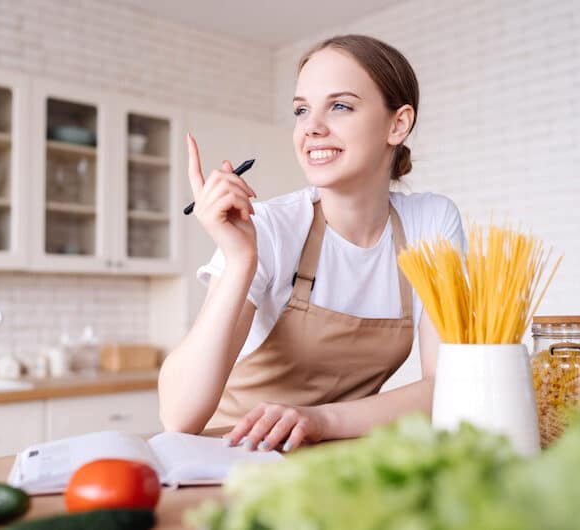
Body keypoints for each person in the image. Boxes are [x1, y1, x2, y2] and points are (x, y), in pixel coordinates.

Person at [158, 34, 465, 452]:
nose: (312, 128)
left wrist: (319, 421)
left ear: (398, 124)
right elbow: (178, 415)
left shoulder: (430, 223)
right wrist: (239, 259)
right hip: (230, 458)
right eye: (302, 110)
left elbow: (446, 388)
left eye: (339, 106)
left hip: (336, 457)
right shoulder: (270, 227)